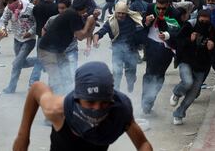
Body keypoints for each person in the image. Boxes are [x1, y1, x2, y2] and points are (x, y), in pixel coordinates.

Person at [12, 61, 152, 151]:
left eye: (104, 102)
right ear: (78, 98)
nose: (97, 108)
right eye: (90, 102)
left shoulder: (120, 111)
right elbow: (37, 88)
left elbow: (142, 144)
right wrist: (23, 136)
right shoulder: (58, 110)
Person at [38, 0, 97, 95]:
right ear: (85, 7)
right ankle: (53, 105)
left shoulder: (74, 14)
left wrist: (93, 22)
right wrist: (88, 22)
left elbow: (86, 34)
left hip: (58, 51)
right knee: (56, 81)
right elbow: (80, 36)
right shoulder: (72, 14)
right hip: (48, 51)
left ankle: (65, 101)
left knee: (67, 78)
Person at [171, 10, 215, 125]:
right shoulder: (189, 25)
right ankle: (177, 93)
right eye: (201, 19)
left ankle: (179, 114)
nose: (203, 21)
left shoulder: (213, 31)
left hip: (202, 66)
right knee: (188, 82)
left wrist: (212, 47)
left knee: (193, 93)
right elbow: (178, 42)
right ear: (198, 18)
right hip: (186, 61)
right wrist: (189, 40)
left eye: (206, 19)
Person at [141, 0, 181, 114]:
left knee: (159, 75)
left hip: (166, 48)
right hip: (151, 44)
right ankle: (145, 102)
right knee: (149, 74)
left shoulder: (175, 13)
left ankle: (151, 99)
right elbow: (143, 23)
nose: (160, 11)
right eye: (158, 8)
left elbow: (178, 31)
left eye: (163, 8)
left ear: (168, 5)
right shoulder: (150, 8)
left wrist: (168, 35)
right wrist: (146, 22)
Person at [93, 2, 143, 92]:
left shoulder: (132, 19)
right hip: (117, 51)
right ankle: (116, 92)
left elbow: (142, 25)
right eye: (118, 13)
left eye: (123, 13)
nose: (120, 15)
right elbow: (99, 33)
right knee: (117, 72)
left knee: (131, 73)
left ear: (126, 13)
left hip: (131, 50)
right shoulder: (111, 22)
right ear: (115, 12)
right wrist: (96, 41)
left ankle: (130, 84)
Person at [0, 0, 42, 94]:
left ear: (17, 0)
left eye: (10, 2)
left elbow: (38, 23)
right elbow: (3, 20)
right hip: (17, 39)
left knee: (16, 63)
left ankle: (11, 87)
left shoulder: (31, 8)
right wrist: (2, 29)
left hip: (29, 40)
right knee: (20, 63)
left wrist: (30, 32)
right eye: (7, 3)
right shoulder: (9, 9)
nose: (9, 5)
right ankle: (40, 61)